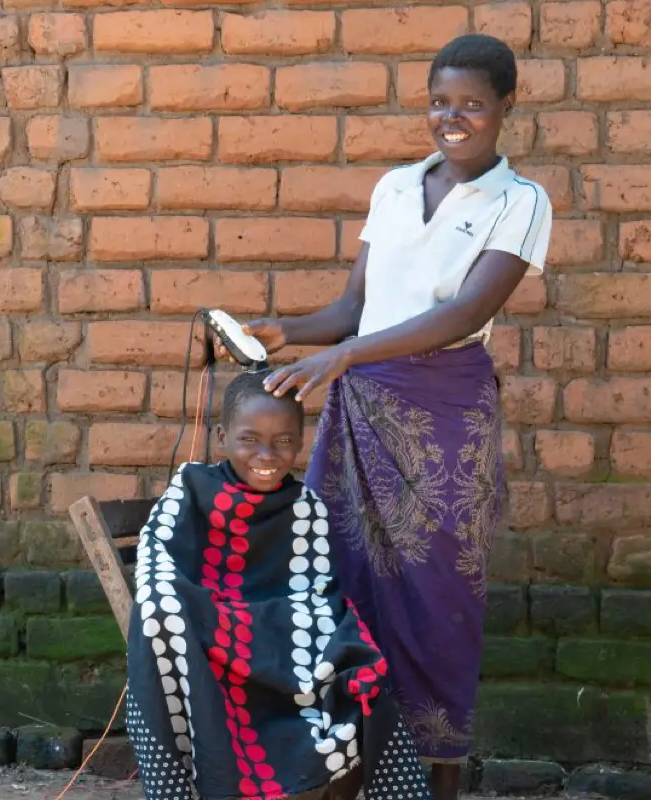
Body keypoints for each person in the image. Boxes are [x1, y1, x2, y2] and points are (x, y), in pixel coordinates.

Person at [222, 34, 553, 800]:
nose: (454, 117)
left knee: (441, 595)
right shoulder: (397, 188)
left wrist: (345, 356)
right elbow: (352, 309)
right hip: (364, 409)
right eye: (441, 101)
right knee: (349, 580)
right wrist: (289, 332)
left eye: (473, 103)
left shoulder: (520, 202)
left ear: (507, 106)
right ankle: (353, 774)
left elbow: (465, 314)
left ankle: (438, 783)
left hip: (445, 418)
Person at [124, 370, 431, 800]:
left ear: (301, 442)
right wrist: (199, 618)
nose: (266, 454)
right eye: (250, 438)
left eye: (284, 440)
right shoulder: (191, 489)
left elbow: (316, 600)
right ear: (221, 436)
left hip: (285, 659)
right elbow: (157, 569)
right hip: (207, 657)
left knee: (366, 690)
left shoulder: (306, 509)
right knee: (159, 608)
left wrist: (343, 649)